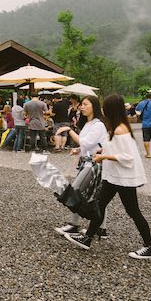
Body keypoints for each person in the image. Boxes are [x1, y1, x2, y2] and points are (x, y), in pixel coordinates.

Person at [62, 94, 151, 260]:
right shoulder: (114, 127)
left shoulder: (120, 129)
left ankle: (149, 247)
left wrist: (104, 157)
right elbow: (113, 149)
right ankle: (87, 238)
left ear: (110, 109)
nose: (102, 110)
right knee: (99, 205)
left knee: (133, 211)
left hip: (123, 178)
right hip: (113, 176)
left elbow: (128, 156)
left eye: (104, 107)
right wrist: (102, 152)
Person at [53, 95, 109, 238]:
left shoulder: (98, 124)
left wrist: (68, 129)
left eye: (85, 104)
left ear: (94, 106)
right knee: (96, 196)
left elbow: (86, 142)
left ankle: (75, 225)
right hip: (87, 162)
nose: (81, 107)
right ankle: (99, 228)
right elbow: (89, 144)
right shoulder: (89, 124)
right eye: (81, 104)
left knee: (76, 192)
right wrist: (78, 150)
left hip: (93, 164)